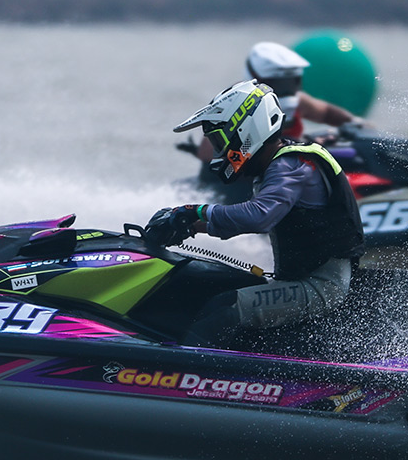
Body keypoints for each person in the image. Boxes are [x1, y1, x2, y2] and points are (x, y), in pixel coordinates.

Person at [145, 80, 366, 342]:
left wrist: (195, 211)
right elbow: (241, 220)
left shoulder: (290, 165)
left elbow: (258, 216)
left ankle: (176, 364)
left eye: (219, 141)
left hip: (321, 285)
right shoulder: (274, 165)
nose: (219, 152)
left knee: (225, 308)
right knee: (204, 287)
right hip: (303, 279)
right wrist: (188, 226)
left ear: (245, 130)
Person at [192, 42, 368, 166]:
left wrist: (358, 125)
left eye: (290, 83)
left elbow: (326, 113)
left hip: (286, 173)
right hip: (238, 184)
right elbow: (206, 154)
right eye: (278, 83)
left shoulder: (299, 101)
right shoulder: (237, 103)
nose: (285, 90)